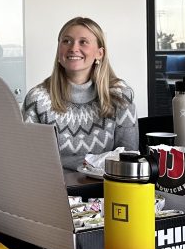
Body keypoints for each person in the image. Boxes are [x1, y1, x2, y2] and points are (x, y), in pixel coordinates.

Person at [23, 16, 138, 169]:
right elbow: (30, 160)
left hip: (107, 189)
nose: (73, 48)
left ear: (99, 53)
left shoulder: (120, 95)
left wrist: (67, 162)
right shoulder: (37, 99)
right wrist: (95, 161)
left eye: (83, 42)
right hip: (54, 189)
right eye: (66, 41)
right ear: (58, 51)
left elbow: (129, 157)